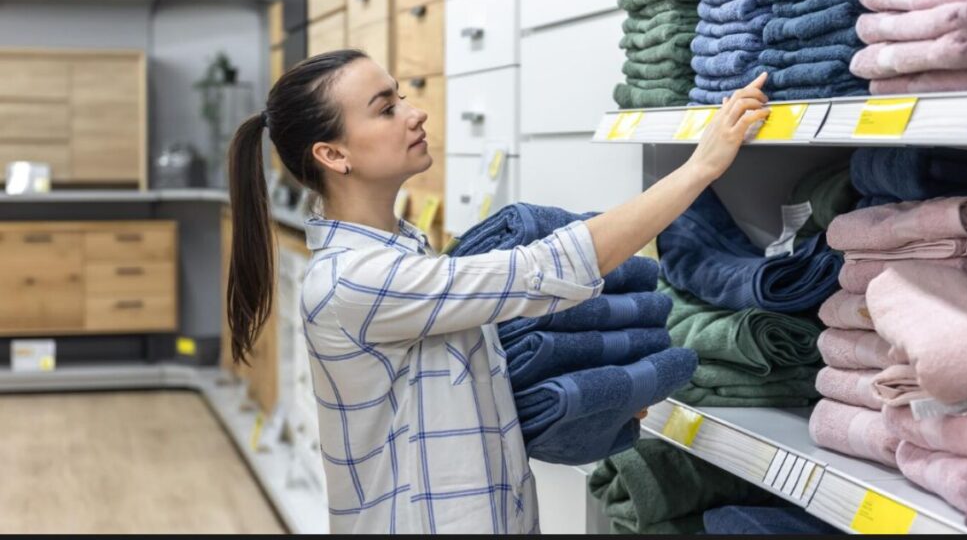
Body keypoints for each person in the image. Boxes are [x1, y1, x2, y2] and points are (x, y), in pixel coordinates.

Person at [226, 49, 769, 534]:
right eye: (386, 108)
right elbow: (548, 267)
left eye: (403, 97)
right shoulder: (353, 281)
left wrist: (589, 405)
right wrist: (701, 166)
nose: (416, 113)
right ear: (333, 156)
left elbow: (456, 390)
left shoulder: (402, 256)